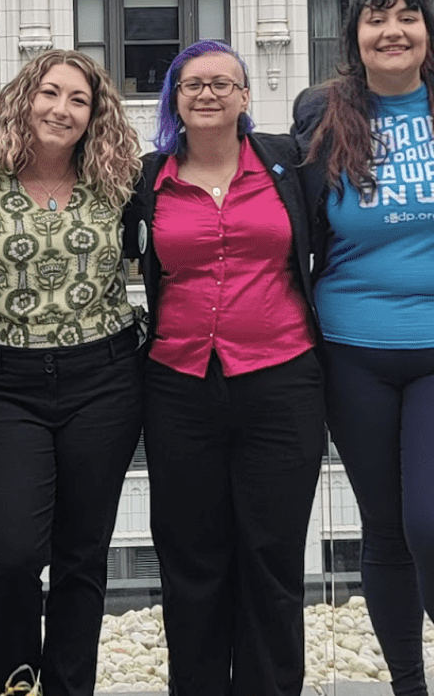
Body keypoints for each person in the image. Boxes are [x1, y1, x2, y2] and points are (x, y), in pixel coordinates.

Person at [291, 0, 434, 696]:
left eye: (407, 18)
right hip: (351, 350)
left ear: (430, 32)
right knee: (385, 532)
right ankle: (408, 687)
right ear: (354, 38)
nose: (392, 31)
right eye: (375, 20)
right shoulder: (321, 114)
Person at [127, 39, 325, 696]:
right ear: (174, 99)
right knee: (192, 561)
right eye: (192, 84)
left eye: (222, 83)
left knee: (272, 557)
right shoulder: (147, 179)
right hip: (179, 385)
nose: (207, 93)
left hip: (282, 380)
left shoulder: (288, 164)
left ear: (244, 96)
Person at [0, 48, 143, 696]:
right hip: (4, 382)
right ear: (24, 98)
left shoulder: (119, 180)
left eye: (78, 100)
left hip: (104, 378)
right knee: (14, 551)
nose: (61, 109)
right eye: (50, 93)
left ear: (95, 115)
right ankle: (13, 683)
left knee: (82, 555)